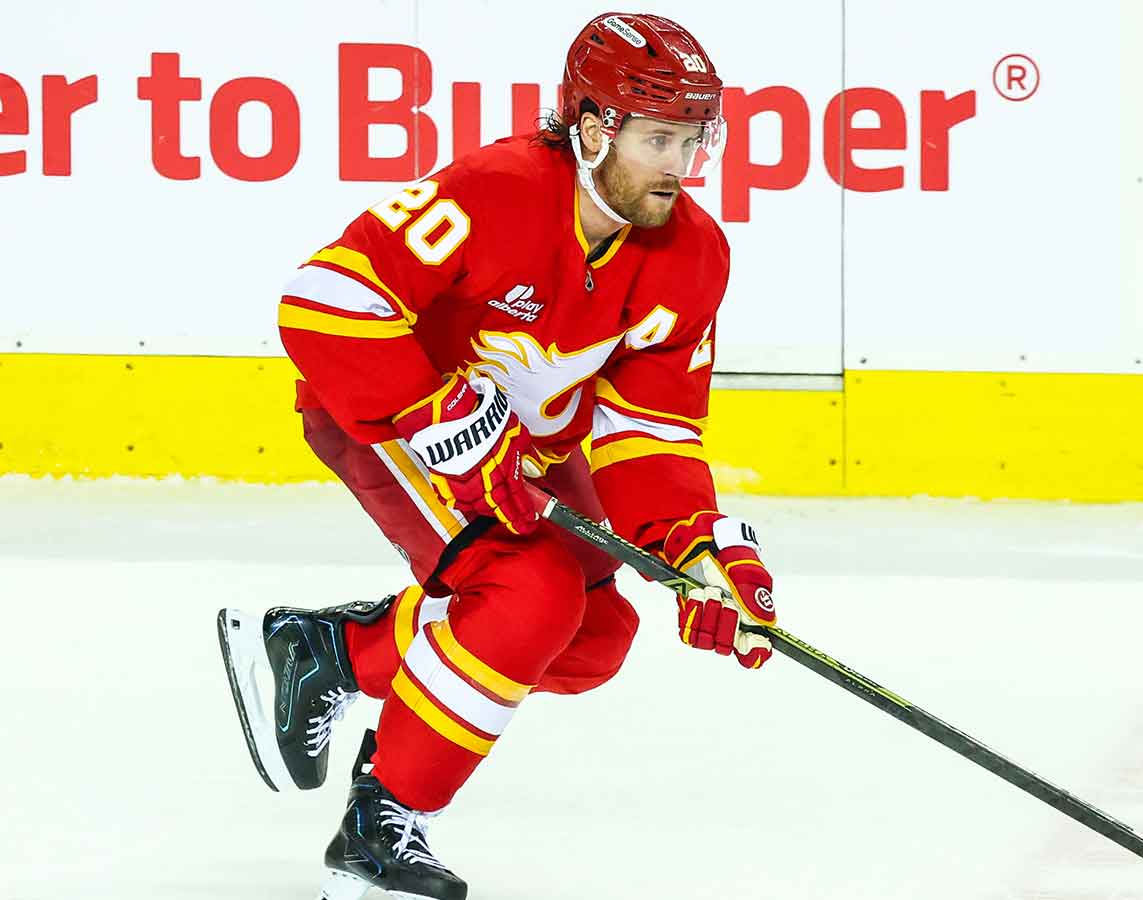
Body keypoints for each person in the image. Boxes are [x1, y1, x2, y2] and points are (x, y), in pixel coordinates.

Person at [215, 13, 777, 900]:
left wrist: (697, 550)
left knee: (592, 639)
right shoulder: (497, 188)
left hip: (524, 448)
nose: (680, 163)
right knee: (532, 593)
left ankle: (334, 648)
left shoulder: (695, 255)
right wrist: (436, 411)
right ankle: (380, 831)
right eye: (659, 138)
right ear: (593, 129)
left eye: (692, 139)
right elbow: (323, 299)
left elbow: (650, 429)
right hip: (386, 410)